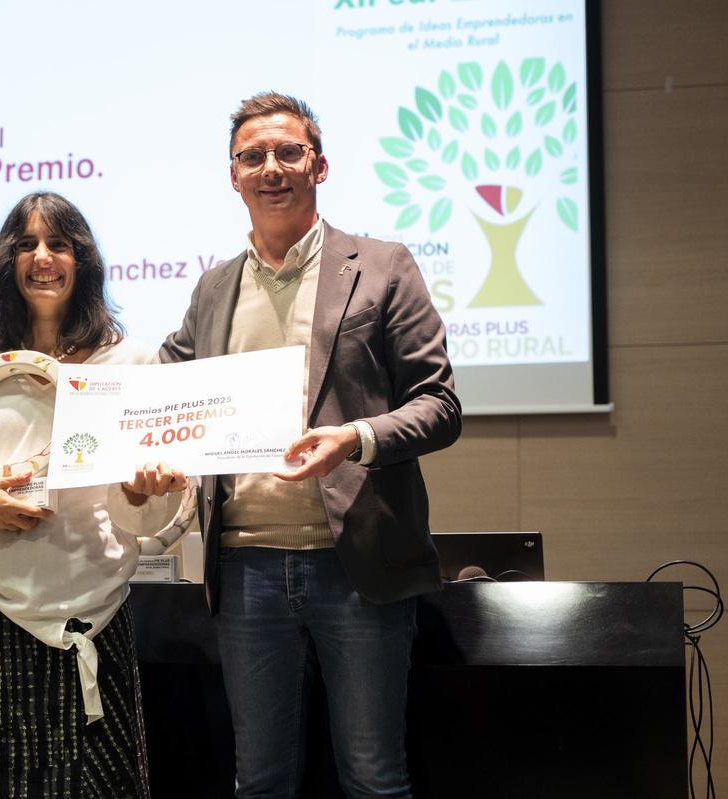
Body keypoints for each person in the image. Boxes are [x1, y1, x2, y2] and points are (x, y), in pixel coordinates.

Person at [125, 92, 462, 797]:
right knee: (261, 782)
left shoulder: (382, 265)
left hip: (358, 566)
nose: (270, 167)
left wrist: (355, 437)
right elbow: (154, 391)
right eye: (253, 156)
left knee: (374, 778)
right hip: (245, 570)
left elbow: (440, 406)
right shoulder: (214, 288)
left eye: (287, 151)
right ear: (233, 176)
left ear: (320, 164)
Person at [0, 191, 181, 799]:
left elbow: (160, 503)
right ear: (8, 261)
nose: (43, 257)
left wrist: (145, 494)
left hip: (94, 613)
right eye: (26, 244)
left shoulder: (129, 362)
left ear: (82, 260)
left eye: (58, 244)